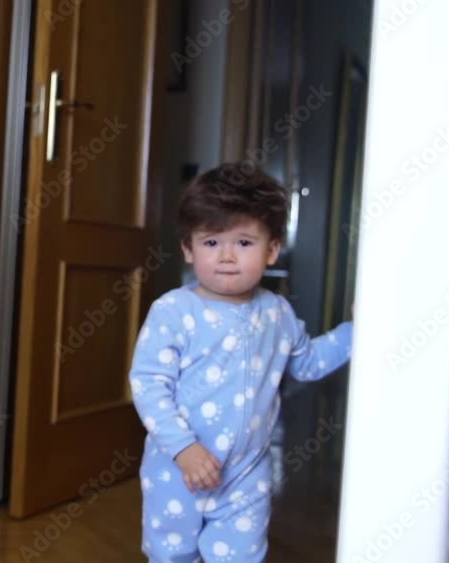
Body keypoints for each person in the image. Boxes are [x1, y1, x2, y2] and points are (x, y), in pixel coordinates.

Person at [129, 162, 354, 562]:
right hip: (178, 470)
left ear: (272, 250)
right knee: (173, 554)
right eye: (211, 242)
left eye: (244, 243)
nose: (227, 256)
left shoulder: (278, 313)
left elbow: (308, 362)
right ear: (188, 248)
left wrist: (358, 331)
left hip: (246, 476)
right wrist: (184, 448)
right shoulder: (174, 311)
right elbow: (149, 384)